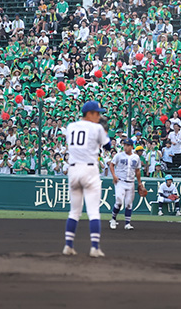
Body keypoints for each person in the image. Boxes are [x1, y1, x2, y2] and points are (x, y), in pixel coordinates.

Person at [62, 101, 112, 258]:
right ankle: (94, 248)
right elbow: (109, 146)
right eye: (97, 113)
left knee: (74, 211)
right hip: (90, 170)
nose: (99, 116)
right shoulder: (97, 128)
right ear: (89, 113)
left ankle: (68, 245)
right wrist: (104, 131)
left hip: (73, 170)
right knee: (93, 211)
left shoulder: (70, 127)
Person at [109, 139, 145, 231]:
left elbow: (137, 170)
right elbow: (111, 165)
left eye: (128, 145)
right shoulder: (119, 155)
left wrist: (139, 182)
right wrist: (114, 176)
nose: (126, 147)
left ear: (132, 146)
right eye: (125, 145)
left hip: (131, 183)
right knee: (119, 201)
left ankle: (127, 224)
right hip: (120, 181)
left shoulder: (136, 157)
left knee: (129, 204)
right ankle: (113, 219)